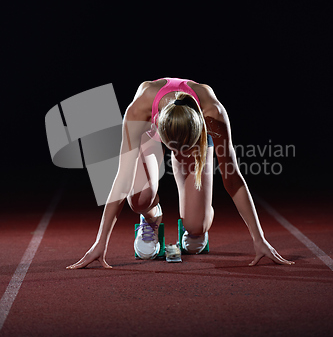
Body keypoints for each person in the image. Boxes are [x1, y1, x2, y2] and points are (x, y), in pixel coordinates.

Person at [67, 77, 294, 269]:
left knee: (196, 225)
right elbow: (122, 179)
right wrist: (101, 242)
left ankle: (198, 223)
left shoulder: (212, 114)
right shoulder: (139, 110)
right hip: (151, 131)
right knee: (138, 198)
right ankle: (151, 217)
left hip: (194, 134)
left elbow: (233, 179)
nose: (175, 156)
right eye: (173, 149)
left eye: (182, 150)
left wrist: (259, 238)